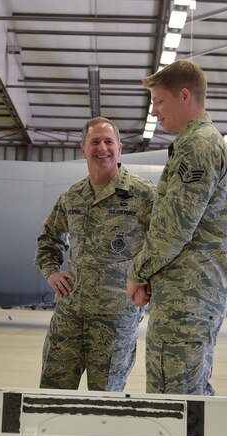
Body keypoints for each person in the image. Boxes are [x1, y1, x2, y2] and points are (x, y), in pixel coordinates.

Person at [126, 59, 227, 396]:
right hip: (183, 290)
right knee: (177, 395)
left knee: (181, 399)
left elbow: (174, 226)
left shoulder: (197, 146)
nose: (156, 112)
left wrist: (137, 273)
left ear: (184, 95)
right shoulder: (194, 144)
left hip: (189, 293)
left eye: (159, 101)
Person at [35, 117, 155, 391]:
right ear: (83, 149)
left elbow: (162, 245)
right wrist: (51, 272)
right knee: (51, 398)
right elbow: (48, 238)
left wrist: (148, 284)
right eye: (95, 142)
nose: (102, 148)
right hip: (70, 316)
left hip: (115, 321)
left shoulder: (143, 195)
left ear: (120, 148)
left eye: (108, 142)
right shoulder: (73, 196)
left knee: (104, 406)